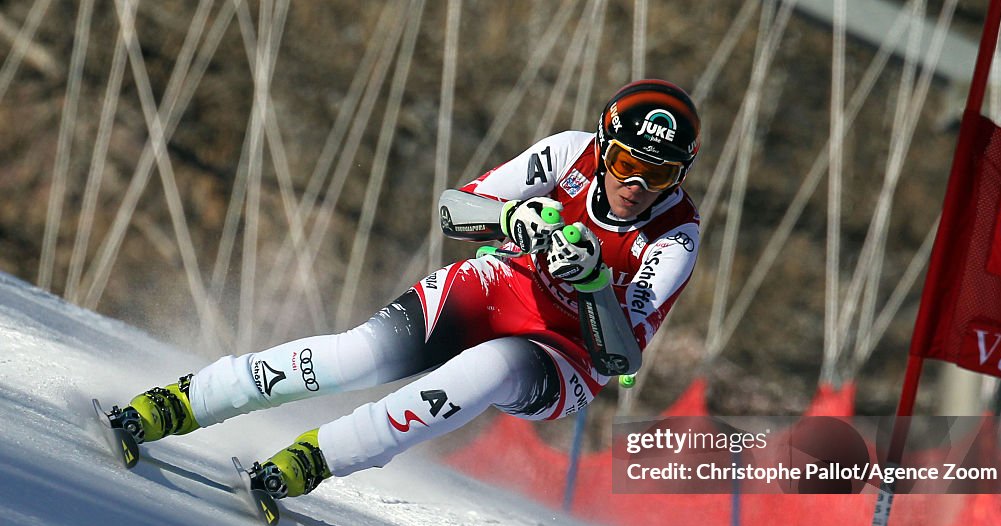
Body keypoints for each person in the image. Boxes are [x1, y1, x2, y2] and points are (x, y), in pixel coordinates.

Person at [108, 78, 703, 500]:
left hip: (564, 355)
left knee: (489, 367)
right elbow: (455, 209)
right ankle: (181, 402)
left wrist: (596, 281)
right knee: (361, 353)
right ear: (605, 149)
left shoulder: (675, 235)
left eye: (661, 175)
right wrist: (510, 220)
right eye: (628, 163)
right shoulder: (570, 151)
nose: (638, 186)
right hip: (503, 285)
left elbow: (619, 357)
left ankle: (314, 459)